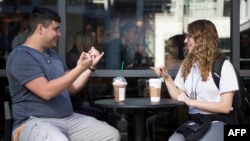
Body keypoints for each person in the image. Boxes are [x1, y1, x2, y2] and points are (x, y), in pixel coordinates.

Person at [6, 7, 120, 141]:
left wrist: (90, 67)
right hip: (33, 122)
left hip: (67, 119)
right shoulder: (21, 56)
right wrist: (79, 68)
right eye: (55, 29)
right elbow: (46, 91)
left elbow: (71, 88)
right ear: (40, 29)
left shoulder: (52, 55)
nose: (59, 33)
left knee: (110, 135)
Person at [151, 19, 238, 141]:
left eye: (189, 37)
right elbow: (178, 96)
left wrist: (191, 102)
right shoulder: (188, 65)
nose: (186, 41)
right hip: (196, 120)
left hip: (219, 121)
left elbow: (225, 107)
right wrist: (167, 78)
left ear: (202, 39)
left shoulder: (223, 66)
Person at [146, 34, 186, 141]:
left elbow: (174, 93)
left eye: (171, 46)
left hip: (173, 112)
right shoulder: (175, 63)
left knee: (149, 120)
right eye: (167, 46)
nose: (168, 49)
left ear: (178, 49)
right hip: (173, 109)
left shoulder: (176, 66)